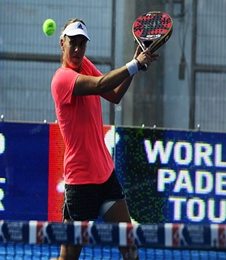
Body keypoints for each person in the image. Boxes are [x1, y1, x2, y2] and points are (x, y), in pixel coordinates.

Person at [50, 18, 158, 259]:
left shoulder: (84, 64)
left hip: (106, 176)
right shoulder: (61, 79)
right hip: (80, 183)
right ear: (62, 43)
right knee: (68, 258)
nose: (77, 50)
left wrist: (136, 61)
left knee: (129, 249)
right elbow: (100, 84)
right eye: (73, 43)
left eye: (82, 44)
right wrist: (133, 65)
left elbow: (115, 94)